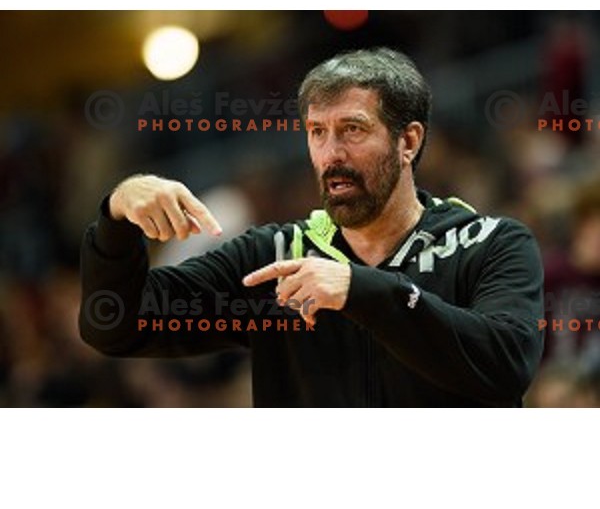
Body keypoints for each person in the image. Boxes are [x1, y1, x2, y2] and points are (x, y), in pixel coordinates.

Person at [79, 47, 544, 407]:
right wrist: (116, 219)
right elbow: (115, 326)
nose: (331, 153)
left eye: (353, 129)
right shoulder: (275, 255)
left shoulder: (490, 243)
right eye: (317, 132)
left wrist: (359, 289)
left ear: (408, 140)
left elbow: (506, 361)